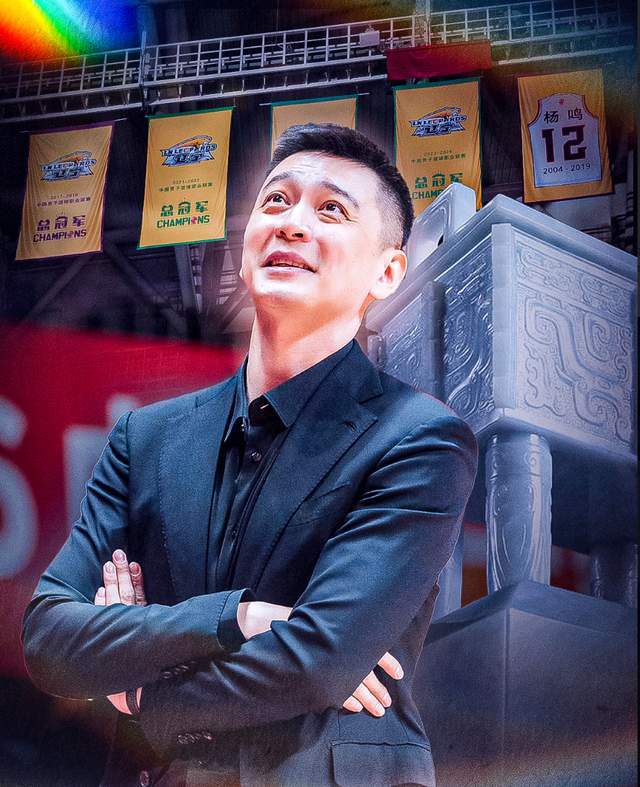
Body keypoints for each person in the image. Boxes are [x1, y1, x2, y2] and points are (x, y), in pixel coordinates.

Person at [22, 123, 478, 786]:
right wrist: (237, 618)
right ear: (244, 248)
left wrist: (140, 689)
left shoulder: (420, 438)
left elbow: (317, 660)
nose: (292, 223)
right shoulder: (144, 439)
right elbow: (50, 638)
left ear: (386, 272)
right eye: (276, 201)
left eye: (331, 210)